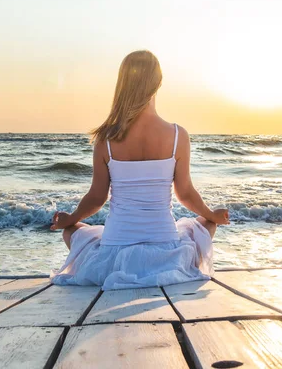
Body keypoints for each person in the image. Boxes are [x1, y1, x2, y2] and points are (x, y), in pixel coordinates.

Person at [50, 50, 229, 289]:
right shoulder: (178, 135)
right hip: (166, 252)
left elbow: (97, 197)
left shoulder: (106, 139)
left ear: (122, 84)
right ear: (158, 83)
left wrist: (70, 218)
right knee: (206, 226)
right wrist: (211, 215)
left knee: (71, 232)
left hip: (114, 252)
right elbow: (185, 193)